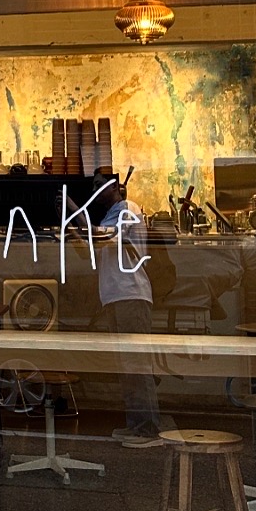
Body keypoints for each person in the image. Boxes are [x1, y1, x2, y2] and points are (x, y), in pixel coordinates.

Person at [92, 177, 167, 443]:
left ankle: (147, 428)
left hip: (130, 294)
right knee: (127, 365)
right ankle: (136, 423)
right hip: (117, 296)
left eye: (99, 185)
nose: (95, 191)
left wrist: (73, 211)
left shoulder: (127, 209)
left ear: (115, 186)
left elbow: (106, 239)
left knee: (136, 363)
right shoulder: (110, 216)